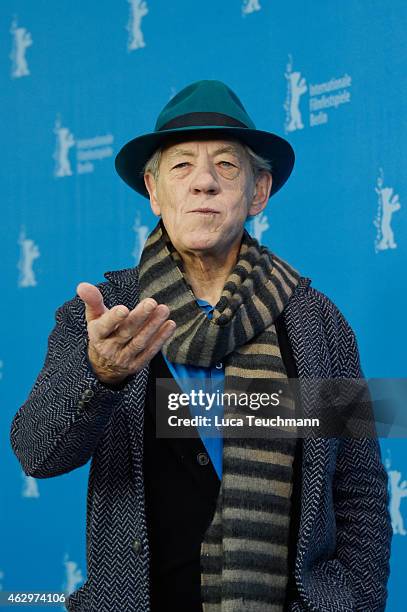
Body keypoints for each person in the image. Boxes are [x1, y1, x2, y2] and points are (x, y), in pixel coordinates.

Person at [10, 80, 392, 612]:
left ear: (258, 192)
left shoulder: (317, 324)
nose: (204, 183)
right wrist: (101, 375)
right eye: (181, 166)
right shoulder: (102, 313)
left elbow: (360, 492)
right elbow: (36, 451)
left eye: (227, 167)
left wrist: (352, 600)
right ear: (154, 190)